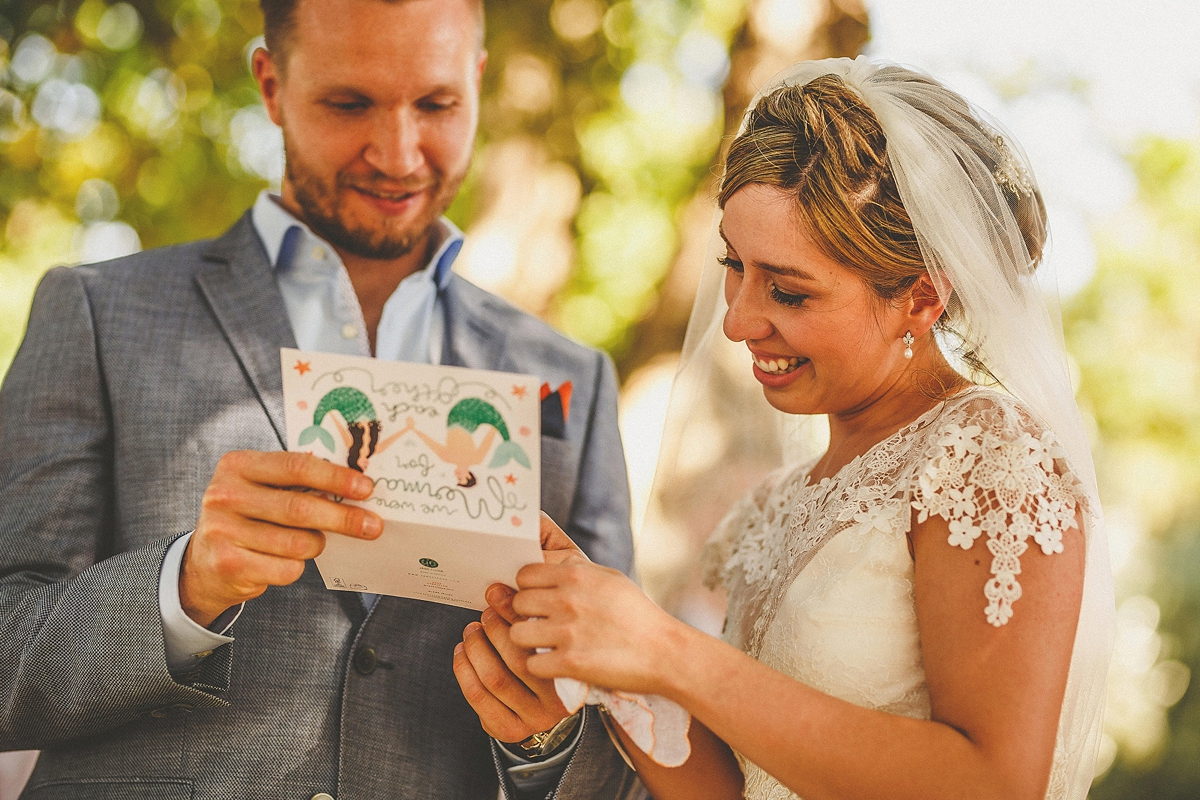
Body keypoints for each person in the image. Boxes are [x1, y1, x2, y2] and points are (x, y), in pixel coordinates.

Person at [0, 0, 638, 797]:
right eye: (349, 103)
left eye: (436, 104)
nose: (399, 154)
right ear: (270, 84)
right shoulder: (96, 314)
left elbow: (630, 750)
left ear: (476, 81)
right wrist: (184, 584)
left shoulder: (572, 376)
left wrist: (548, 734)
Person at [461, 57, 1115, 800]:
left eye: (788, 290)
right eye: (733, 266)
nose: (738, 320)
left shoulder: (987, 461)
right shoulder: (770, 507)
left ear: (922, 298)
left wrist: (666, 650)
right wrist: (605, 673)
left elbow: (992, 784)